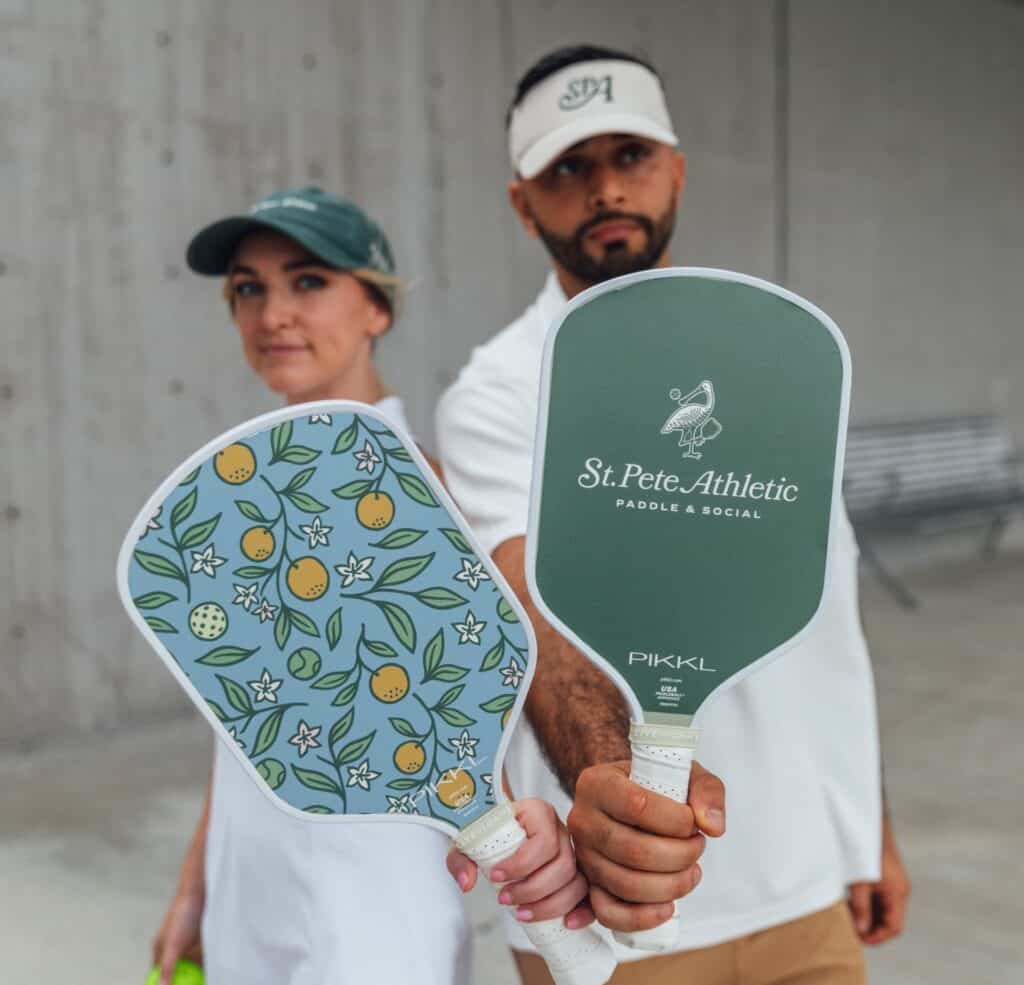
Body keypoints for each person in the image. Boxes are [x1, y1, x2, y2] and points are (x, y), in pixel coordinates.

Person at [439, 46, 911, 985]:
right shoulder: (497, 393)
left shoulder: (771, 363)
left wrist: (867, 829)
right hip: (614, 900)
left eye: (631, 156)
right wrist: (611, 789)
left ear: (677, 171)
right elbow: (538, 621)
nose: (607, 188)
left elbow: (821, 622)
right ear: (523, 202)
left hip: (800, 878)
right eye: (568, 167)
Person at [151, 187, 594, 985]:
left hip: (368, 915)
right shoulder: (249, 489)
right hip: (251, 893)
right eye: (249, 288)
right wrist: (198, 885)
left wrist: (522, 836)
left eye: (309, 280)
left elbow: (469, 714)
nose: (273, 313)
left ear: (377, 310)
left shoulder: (414, 487)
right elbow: (249, 715)